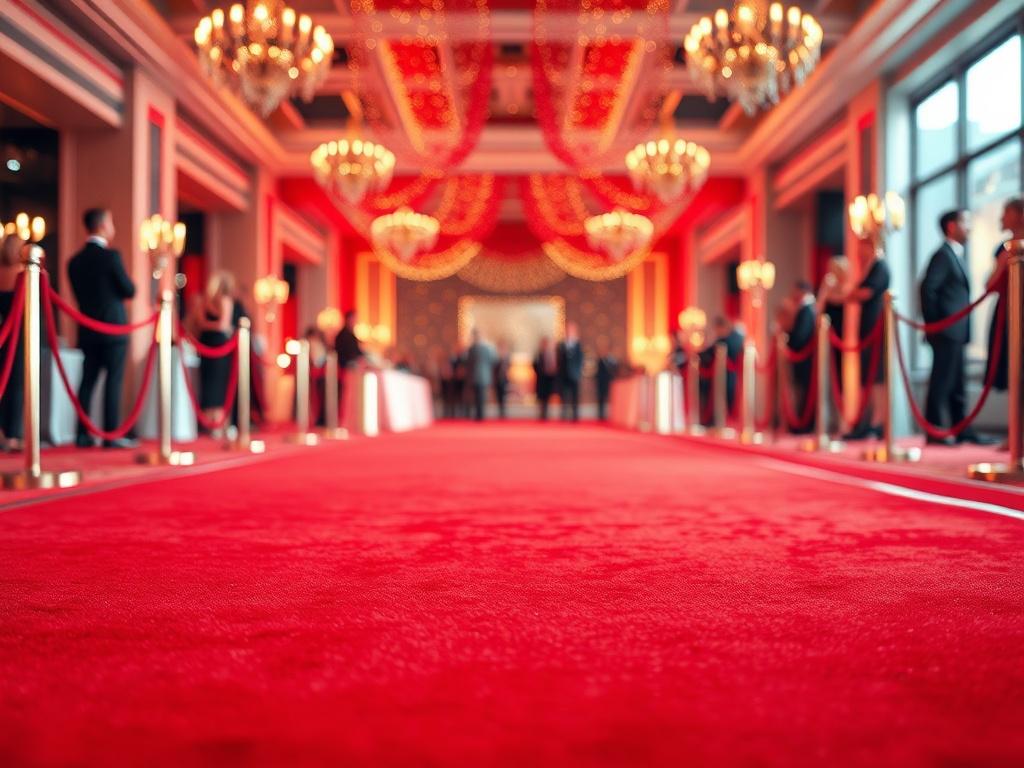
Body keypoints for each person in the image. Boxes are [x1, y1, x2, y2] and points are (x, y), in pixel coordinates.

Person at [67, 208, 137, 449]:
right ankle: (110, 435)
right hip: (113, 329)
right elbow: (129, 290)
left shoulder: (74, 262)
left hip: (88, 330)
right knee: (113, 381)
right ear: (103, 225)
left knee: (87, 381)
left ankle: (82, 434)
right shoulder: (111, 257)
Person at [841, 239, 890, 440]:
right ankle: (867, 421)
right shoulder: (870, 268)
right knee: (867, 377)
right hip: (867, 331)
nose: (859, 253)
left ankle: (876, 422)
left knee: (876, 376)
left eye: (862, 249)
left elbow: (865, 293)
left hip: (875, 330)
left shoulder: (880, 267)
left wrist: (852, 293)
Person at [986, 199, 1023, 406]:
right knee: (1011, 371)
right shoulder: (1002, 248)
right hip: (1007, 313)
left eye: (1007, 212)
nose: (1002, 217)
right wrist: (1001, 265)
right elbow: (989, 286)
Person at [193, 271, 235, 437]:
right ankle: (216, 424)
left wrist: (208, 324)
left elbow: (201, 323)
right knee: (214, 384)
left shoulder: (205, 302)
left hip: (210, 342)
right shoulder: (224, 301)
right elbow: (223, 326)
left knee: (213, 384)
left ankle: (214, 423)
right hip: (216, 343)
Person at [0, 234, 25, 451]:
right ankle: (12, 435)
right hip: (18, 337)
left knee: (4, 384)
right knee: (16, 386)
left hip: (3, 336)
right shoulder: (23, 274)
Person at [699, 316, 743, 422]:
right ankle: (717, 420)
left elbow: (733, 354)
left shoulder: (735, 338)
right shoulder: (722, 339)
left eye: (717, 329)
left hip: (731, 375)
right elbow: (708, 352)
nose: (717, 332)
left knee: (729, 397)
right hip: (719, 374)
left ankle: (727, 421)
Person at [787, 280, 816, 433]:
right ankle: (800, 422)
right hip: (803, 357)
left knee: (805, 391)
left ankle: (804, 424)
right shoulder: (805, 308)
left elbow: (801, 336)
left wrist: (789, 342)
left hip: (805, 358)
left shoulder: (807, 309)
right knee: (802, 390)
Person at [466, 329, 496, 421]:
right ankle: (479, 414)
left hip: (481, 376)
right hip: (477, 376)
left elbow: (493, 361)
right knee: (477, 396)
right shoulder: (474, 349)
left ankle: (480, 415)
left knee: (480, 396)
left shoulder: (485, 348)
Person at [557, 321, 584, 421]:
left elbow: (580, 359)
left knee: (574, 397)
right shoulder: (561, 344)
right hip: (563, 375)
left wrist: (578, 372)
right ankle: (564, 415)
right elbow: (559, 360)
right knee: (564, 396)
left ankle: (575, 416)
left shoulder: (578, 345)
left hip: (574, 375)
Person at [533, 337, 557, 420]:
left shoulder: (552, 354)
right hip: (541, 380)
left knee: (547, 399)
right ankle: (541, 415)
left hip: (548, 381)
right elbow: (534, 365)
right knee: (541, 399)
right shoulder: (539, 354)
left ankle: (546, 415)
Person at [595, 339, 617, 421]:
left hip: (608, 382)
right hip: (600, 383)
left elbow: (614, 370)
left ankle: (611, 415)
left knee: (610, 399)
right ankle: (601, 415)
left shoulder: (611, 360)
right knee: (600, 399)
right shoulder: (599, 360)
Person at [493, 340, 511, 419]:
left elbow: (508, 367)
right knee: (498, 396)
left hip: (504, 379)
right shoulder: (496, 356)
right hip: (497, 379)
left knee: (504, 397)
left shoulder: (507, 356)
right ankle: (500, 412)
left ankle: (503, 413)